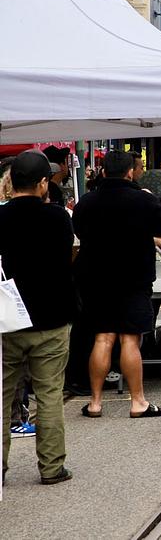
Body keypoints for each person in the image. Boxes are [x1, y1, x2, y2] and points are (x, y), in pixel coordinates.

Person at [73, 150, 161, 420]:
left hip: (96, 279)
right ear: (130, 172)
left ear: (103, 171)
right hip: (134, 278)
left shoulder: (87, 202)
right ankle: (138, 401)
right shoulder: (143, 199)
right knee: (130, 338)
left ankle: (95, 402)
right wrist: (153, 197)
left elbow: (79, 230)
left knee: (103, 337)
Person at [0, 152, 76, 484]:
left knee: (2, 396)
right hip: (51, 318)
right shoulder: (58, 218)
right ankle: (51, 466)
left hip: (6, 320)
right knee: (49, 394)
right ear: (43, 183)